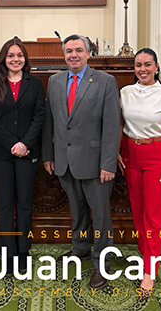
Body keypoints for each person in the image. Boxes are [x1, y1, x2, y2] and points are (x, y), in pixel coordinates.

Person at [42, 34, 120, 289]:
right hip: (64, 161)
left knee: (100, 214)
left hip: (96, 162)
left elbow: (111, 126)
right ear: (63, 55)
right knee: (76, 211)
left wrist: (108, 163)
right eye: (68, 51)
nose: (73, 55)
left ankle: (102, 262)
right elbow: (50, 122)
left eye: (78, 50)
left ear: (88, 54)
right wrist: (49, 155)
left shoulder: (106, 81)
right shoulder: (54, 81)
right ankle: (81, 249)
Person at [118, 48, 161, 296]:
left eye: (148, 65)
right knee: (138, 210)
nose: (142, 69)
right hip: (130, 153)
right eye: (138, 65)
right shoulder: (125, 93)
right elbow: (119, 124)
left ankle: (149, 271)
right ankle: (148, 254)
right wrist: (115, 152)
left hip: (156, 155)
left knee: (154, 215)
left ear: (156, 67)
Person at [0, 37, 46, 275]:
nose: (15, 59)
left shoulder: (35, 83)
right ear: (4, 58)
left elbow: (40, 115)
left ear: (25, 59)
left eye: (19, 55)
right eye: (11, 55)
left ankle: (23, 253)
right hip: (2, 153)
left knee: (25, 205)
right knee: (4, 206)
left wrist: (25, 143)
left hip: (28, 153)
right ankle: (7, 254)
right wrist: (12, 143)